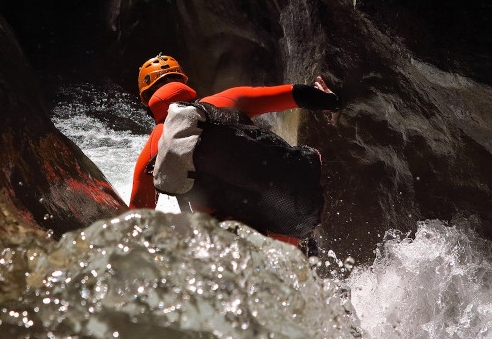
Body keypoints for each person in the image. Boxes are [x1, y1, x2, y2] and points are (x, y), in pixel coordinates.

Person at [129, 54, 339, 249]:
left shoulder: (154, 148)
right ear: (184, 83)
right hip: (284, 220)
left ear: (147, 100)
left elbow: (136, 222)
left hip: (229, 241)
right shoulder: (226, 99)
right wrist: (330, 101)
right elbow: (298, 94)